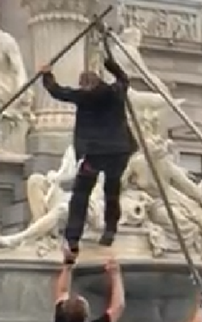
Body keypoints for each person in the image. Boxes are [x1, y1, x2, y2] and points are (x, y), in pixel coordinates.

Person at [39, 30, 137, 260]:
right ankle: (110, 229)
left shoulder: (84, 97)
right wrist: (109, 63)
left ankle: (73, 238)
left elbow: (58, 92)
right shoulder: (115, 93)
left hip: (95, 153)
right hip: (119, 151)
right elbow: (124, 79)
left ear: (85, 85)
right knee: (112, 191)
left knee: (81, 193)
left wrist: (46, 75)